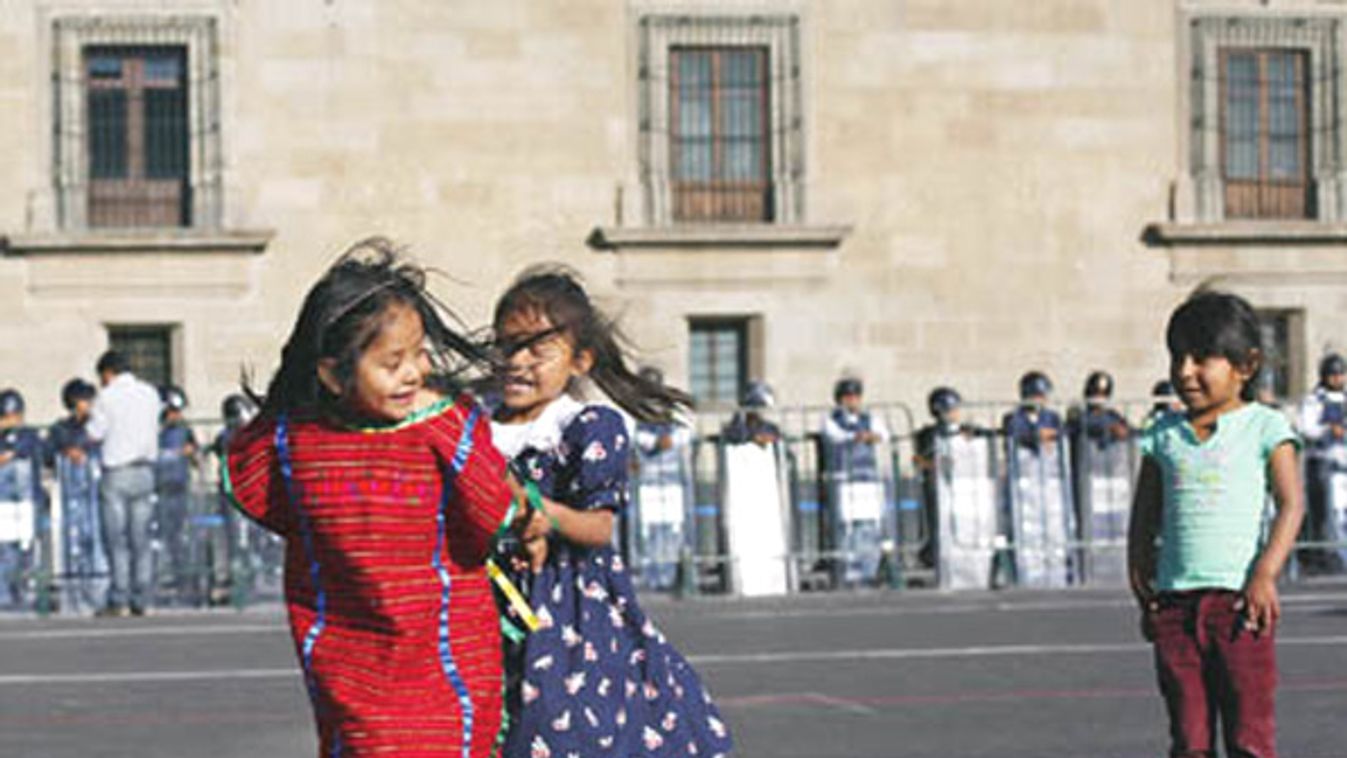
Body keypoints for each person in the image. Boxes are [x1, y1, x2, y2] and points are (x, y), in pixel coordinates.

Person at [222, 238, 540, 757]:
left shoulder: (291, 436)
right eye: (392, 362)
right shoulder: (426, 428)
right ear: (330, 371)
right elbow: (492, 513)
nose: (414, 373)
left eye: (418, 355)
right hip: (360, 663)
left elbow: (253, 490)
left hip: (435, 661)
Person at [489, 266, 732, 758]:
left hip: (563, 607)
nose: (518, 360)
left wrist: (546, 516)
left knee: (559, 728)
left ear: (579, 361)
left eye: (539, 349)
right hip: (484, 599)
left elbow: (599, 526)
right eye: (508, 344)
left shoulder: (587, 428)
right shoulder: (473, 425)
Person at [1128, 290, 1304, 758]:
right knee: (1189, 740)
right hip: (1174, 609)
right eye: (1176, 357)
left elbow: (1291, 505)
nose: (1184, 371)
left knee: (1249, 738)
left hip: (1240, 607)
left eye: (1202, 357)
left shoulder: (1265, 426)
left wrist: (1264, 575)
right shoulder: (1162, 435)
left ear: (1245, 366)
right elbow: (1144, 516)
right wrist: (1141, 584)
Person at [86, 351, 162, 617]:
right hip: (145, 471)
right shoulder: (150, 393)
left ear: (108, 373)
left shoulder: (106, 397)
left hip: (117, 471)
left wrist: (88, 415)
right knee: (141, 539)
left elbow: (95, 432)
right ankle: (143, 596)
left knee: (116, 540)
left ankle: (119, 597)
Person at [820, 377, 890, 585]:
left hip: (867, 478)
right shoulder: (831, 419)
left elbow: (883, 434)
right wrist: (856, 436)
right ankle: (847, 569)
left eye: (856, 397)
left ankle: (869, 568)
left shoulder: (868, 418)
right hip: (843, 478)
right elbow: (835, 436)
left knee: (869, 523)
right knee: (846, 525)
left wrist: (869, 435)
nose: (853, 401)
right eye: (848, 397)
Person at [630, 366, 694, 590]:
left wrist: (671, 441)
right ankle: (651, 575)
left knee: (673, 526)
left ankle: (672, 574)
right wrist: (654, 443)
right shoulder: (633, 410)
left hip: (673, 479)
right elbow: (633, 435)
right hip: (646, 481)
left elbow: (686, 432)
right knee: (647, 529)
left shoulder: (671, 410)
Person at [47, 379, 105, 609]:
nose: (87, 405)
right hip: (70, 495)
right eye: (83, 400)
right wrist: (65, 451)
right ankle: (74, 595)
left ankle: (98, 592)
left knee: (96, 542)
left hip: (95, 493)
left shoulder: (99, 425)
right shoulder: (61, 429)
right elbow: (49, 450)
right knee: (71, 543)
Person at [205, 393, 258, 606]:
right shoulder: (226, 436)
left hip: (250, 494)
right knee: (233, 539)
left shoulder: (251, 435)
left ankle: (248, 577)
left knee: (246, 539)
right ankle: (233, 582)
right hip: (233, 495)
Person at [1296, 353, 1347, 574]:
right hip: (1325, 463)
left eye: (1341, 374)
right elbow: (1306, 428)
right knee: (1331, 514)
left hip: (1344, 463)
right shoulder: (1315, 400)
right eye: (1334, 375)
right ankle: (1333, 558)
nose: (1338, 379)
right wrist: (1328, 429)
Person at [0, 389, 45, 607]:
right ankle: (5, 595)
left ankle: (26, 594)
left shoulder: (29, 436)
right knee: (5, 550)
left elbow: (28, 452)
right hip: (3, 506)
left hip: (27, 504)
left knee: (27, 549)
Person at [155, 385, 198, 599]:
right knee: (161, 535)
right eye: (173, 411)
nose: (177, 416)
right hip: (159, 490)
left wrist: (191, 453)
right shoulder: (155, 432)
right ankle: (163, 576)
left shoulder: (185, 431)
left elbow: (195, 456)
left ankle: (182, 576)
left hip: (180, 488)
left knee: (181, 535)